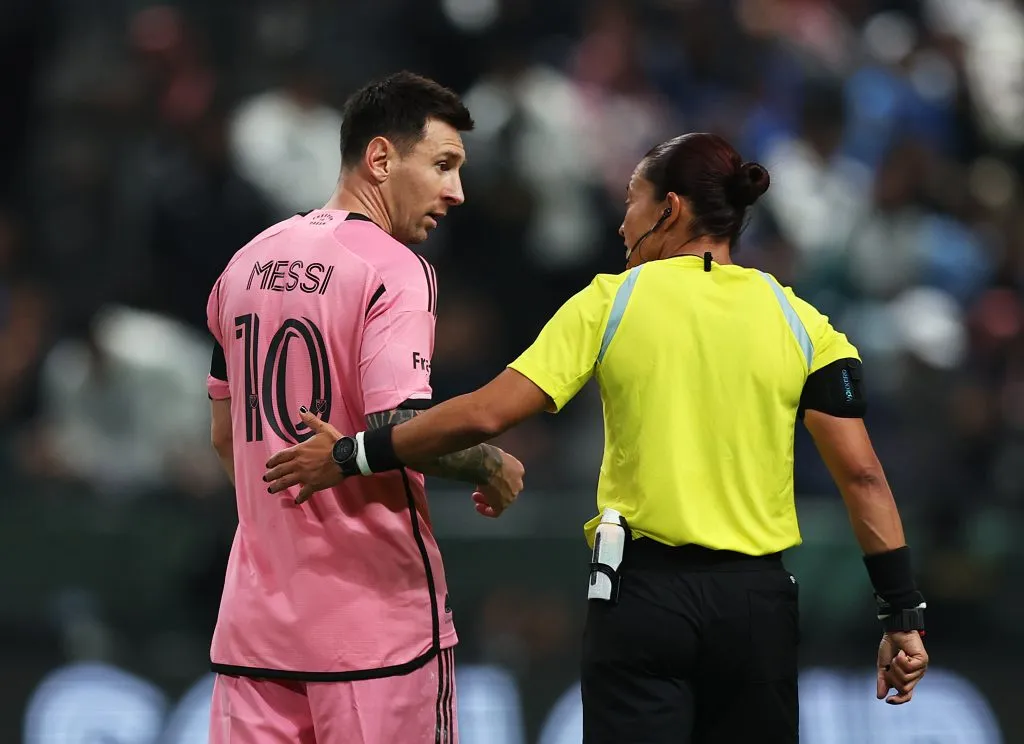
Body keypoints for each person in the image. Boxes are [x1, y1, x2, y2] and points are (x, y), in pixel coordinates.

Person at [263, 132, 931, 743]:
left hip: (642, 600)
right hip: (755, 606)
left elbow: (487, 414)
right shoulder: (803, 323)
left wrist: (354, 452)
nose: (622, 222)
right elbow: (863, 477)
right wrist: (902, 615)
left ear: (670, 209)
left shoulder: (612, 301)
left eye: (633, 203)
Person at [205, 71, 524, 744]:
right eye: (442, 165)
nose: (456, 192)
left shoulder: (244, 264)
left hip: (256, 637)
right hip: (376, 634)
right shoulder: (393, 268)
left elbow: (225, 438)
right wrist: (490, 462)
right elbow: (399, 428)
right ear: (381, 158)